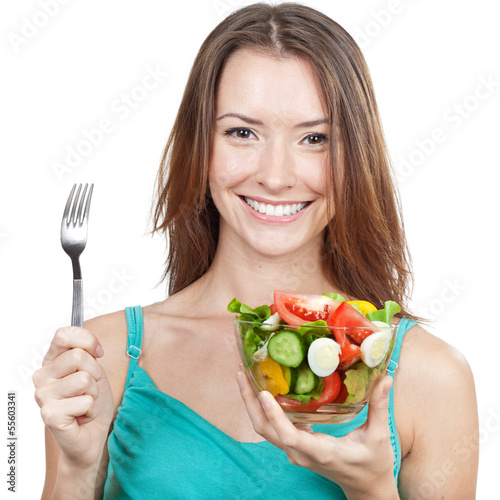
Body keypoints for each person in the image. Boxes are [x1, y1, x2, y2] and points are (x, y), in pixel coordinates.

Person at [34, 3, 479, 498]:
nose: (275, 175)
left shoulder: (432, 378)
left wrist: (373, 488)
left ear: (357, 156)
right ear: (200, 145)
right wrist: (76, 466)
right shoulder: (104, 356)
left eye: (315, 138)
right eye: (242, 133)